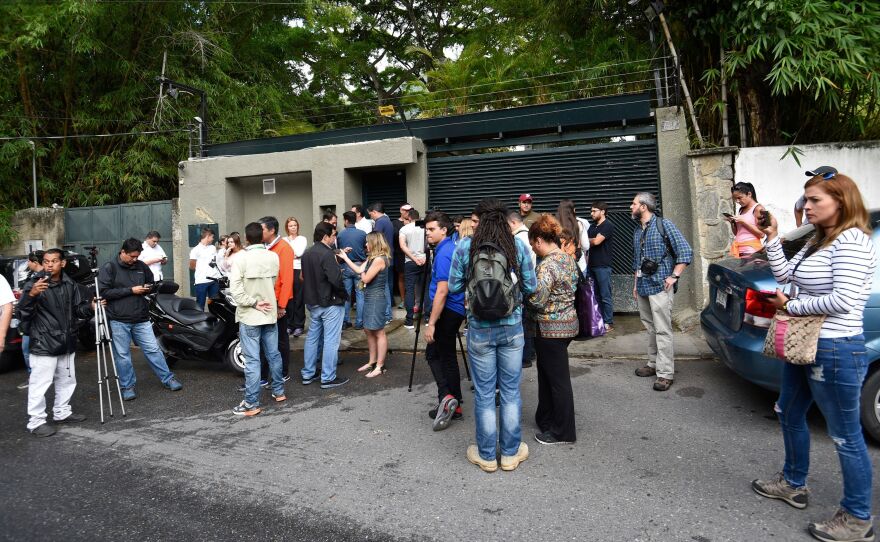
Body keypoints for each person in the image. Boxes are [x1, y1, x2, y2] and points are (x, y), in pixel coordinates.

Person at [752, 172, 877, 542]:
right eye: (806, 200)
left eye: (815, 200)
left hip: (836, 348)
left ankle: (857, 519)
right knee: (789, 412)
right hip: (805, 344)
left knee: (845, 435)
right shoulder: (821, 240)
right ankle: (793, 483)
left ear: (841, 202)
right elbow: (788, 273)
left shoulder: (852, 241)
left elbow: (844, 300)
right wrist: (772, 237)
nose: (806, 206)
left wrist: (792, 304)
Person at [448, 198, 537, 473]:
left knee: (485, 394)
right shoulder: (517, 246)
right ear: (504, 221)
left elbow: (453, 286)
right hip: (511, 327)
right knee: (510, 392)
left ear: (481, 221)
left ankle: (486, 455)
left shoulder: (465, 246)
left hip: (479, 330)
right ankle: (510, 454)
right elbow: (531, 286)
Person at [16, 249, 95, 437]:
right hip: (44, 342)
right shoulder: (34, 284)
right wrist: (31, 295)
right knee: (39, 384)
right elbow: (22, 314)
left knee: (67, 380)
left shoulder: (70, 284)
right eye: (46, 261)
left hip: (67, 340)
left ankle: (62, 412)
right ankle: (36, 422)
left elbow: (78, 310)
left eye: (54, 261)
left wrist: (91, 307)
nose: (49, 265)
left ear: (63, 263)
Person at [100, 238, 183, 400]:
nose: (134, 260)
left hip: (141, 318)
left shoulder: (141, 266)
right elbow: (103, 293)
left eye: (137, 256)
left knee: (153, 350)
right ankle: (127, 387)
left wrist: (148, 288)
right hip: (119, 319)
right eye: (131, 256)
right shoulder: (109, 268)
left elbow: (151, 283)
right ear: (122, 252)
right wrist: (131, 290)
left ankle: (168, 379)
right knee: (123, 355)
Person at [630, 193, 693, 392]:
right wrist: (634, 285)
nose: (630, 207)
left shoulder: (664, 225)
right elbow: (636, 263)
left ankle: (665, 373)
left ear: (643, 206)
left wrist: (674, 276)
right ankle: (653, 364)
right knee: (650, 328)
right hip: (643, 286)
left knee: (663, 329)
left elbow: (685, 251)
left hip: (660, 286)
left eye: (633, 204)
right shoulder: (637, 232)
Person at [525, 215, 580, 445]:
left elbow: (538, 300)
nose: (532, 249)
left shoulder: (547, 265)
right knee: (548, 377)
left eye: (532, 244)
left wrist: (524, 294)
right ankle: (546, 418)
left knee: (557, 382)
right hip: (567, 325)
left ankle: (563, 432)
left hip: (549, 329)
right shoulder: (568, 259)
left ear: (539, 240)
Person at [228, 222, 286, 416]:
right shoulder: (273, 257)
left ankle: (251, 404)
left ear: (246, 238)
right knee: (274, 354)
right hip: (269, 313)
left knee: (252, 361)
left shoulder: (240, 259)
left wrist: (253, 303)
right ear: (262, 237)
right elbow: (274, 281)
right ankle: (278, 392)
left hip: (250, 315)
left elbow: (235, 290)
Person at [423, 211, 467, 431]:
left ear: (444, 230)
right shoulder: (448, 248)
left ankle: (447, 398)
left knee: (435, 354)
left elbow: (442, 290)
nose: (427, 233)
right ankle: (453, 403)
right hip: (454, 310)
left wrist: (431, 323)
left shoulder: (444, 253)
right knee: (446, 355)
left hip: (447, 309)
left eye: (431, 229)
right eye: (427, 229)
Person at [301, 222, 349, 389]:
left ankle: (308, 372)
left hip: (313, 302)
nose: (334, 238)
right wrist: (344, 295)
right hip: (330, 302)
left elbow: (305, 277)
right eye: (333, 235)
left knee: (313, 338)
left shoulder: (306, 253)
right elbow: (335, 279)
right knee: (331, 340)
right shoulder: (327, 254)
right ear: (325, 236)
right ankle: (328, 377)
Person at [338, 232, 390, 378]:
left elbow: (365, 278)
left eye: (367, 242)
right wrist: (346, 258)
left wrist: (362, 271)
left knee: (378, 331)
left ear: (374, 243)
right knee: (368, 329)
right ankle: (372, 361)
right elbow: (359, 270)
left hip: (376, 298)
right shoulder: (371, 258)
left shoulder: (379, 259)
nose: (365, 244)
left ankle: (380, 366)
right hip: (369, 297)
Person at [259, 216, 295, 383]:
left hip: (279, 301)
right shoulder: (266, 247)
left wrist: (282, 305)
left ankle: (284, 372)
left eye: (263, 229)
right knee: (267, 339)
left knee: (280, 339)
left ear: (272, 230)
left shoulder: (284, 248)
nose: (260, 232)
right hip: (267, 300)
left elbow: (287, 279)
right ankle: (266, 375)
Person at [508, 210, 536, 368]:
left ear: (512, 223)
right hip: (529, 280)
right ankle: (530, 354)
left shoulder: (518, 239)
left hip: (522, 283)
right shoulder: (528, 235)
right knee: (528, 322)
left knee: (524, 322)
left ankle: (525, 357)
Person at [16, 251, 44, 389]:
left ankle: (34, 378)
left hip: (34, 322)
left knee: (27, 350)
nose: (27, 264)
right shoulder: (33, 278)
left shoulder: (41, 279)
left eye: (29, 261)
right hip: (31, 321)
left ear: (35, 262)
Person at [337, 211, 368, 330]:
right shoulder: (362, 233)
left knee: (347, 295)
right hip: (360, 267)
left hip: (345, 266)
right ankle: (360, 322)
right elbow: (366, 248)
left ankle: (346, 321)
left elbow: (340, 251)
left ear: (345, 221)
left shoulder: (340, 235)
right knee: (360, 295)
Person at [588, 202, 615, 332]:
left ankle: (608, 322)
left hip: (603, 266)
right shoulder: (592, 227)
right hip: (591, 266)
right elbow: (587, 243)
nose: (591, 213)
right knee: (595, 295)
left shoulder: (607, 225)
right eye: (591, 211)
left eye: (594, 211)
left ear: (603, 211)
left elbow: (596, 241)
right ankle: (599, 322)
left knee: (605, 296)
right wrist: (591, 241)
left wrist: (590, 241)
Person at [399, 209, 427, 329]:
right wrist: (424, 257)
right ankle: (427, 318)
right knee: (426, 288)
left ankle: (409, 320)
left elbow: (402, 246)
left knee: (410, 290)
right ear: (418, 217)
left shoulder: (404, 229)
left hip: (410, 262)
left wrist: (414, 258)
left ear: (409, 217)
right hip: (425, 260)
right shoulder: (424, 227)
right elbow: (430, 242)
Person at [368, 202, 395, 323]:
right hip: (388, 257)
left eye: (370, 214)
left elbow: (374, 240)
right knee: (386, 286)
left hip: (381, 258)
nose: (371, 217)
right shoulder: (388, 220)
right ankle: (387, 314)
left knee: (383, 287)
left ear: (374, 212)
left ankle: (387, 315)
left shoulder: (380, 222)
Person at [727, 182, 766, 258]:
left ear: (749, 194)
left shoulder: (759, 209)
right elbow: (737, 233)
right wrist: (732, 222)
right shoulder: (741, 210)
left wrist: (744, 222)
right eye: (735, 199)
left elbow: (762, 234)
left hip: (751, 251)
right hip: (739, 250)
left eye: (739, 198)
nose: (737, 201)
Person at [284, 217, 308, 337]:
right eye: (290, 226)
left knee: (299, 298)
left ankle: (299, 325)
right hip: (286, 270)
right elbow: (282, 255)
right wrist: (290, 255)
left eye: (295, 225)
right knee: (289, 299)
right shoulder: (283, 240)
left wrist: (289, 254)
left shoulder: (302, 239)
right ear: (287, 227)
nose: (293, 227)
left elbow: (299, 253)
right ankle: (289, 324)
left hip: (298, 270)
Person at [189, 227, 221, 310]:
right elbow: (192, 266)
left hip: (213, 280)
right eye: (212, 237)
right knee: (200, 304)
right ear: (208, 236)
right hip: (201, 281)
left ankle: (214, 321)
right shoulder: (195, 250)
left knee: (214, 304)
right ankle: (200, 322)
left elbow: (215, 262)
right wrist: (203, 270)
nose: (213, 239)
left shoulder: (213, 248)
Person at [556, 199, 590, 276]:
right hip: (579, 265)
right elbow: (586, 246)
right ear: (573, 210)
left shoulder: (555, 226)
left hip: (560, 265)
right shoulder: (579, 224)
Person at [393, 204, 411, 311]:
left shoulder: (414, 221)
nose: (407, 212)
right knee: (401, 276)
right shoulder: (395, 223)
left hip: (413, 253)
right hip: (400, 254)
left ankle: (412, 300)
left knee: (412, 278)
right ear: (401, 210)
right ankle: (404, 299)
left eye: (409, 210)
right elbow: (394, 237)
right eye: (405, 210)